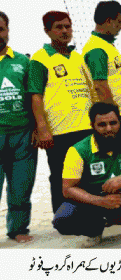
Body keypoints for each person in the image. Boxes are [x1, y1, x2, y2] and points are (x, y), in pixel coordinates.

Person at [52, 102, 121, 247]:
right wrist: (100, 201)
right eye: (102, 125)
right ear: (92, 125)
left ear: (120, 122)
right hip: (95, 199)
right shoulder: (77, 150)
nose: (109, 129)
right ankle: (94, 230)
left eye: (113, 123)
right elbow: (67, 189)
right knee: (63, 220)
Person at [29, 11, 94, 215]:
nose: (65, 31)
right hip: (59, 131)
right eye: (59, 27)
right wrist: (42, 129)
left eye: (68, 26)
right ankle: (63, 216)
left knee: (89, 174)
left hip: (86, 127)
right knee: (61, 175)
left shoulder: (78, 57)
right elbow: (36, 96)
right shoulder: (40, 58)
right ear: (47, 31)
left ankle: (94, 212)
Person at [0, 11, 37, 243]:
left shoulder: (23, 62)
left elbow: (34, 97)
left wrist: (37, 127)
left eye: (0, 29)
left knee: (21, 186)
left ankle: (18, 229)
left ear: (8, 30)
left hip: (23, 134)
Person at [82, 1, 121, 131]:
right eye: (119, 22)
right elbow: (100, 86)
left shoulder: (106, 45)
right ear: (108, 21)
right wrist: (113, 118)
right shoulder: (96, 49)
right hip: (115, 117)